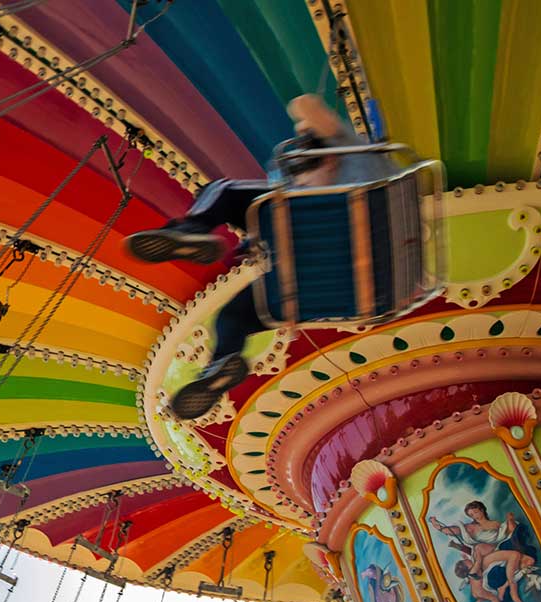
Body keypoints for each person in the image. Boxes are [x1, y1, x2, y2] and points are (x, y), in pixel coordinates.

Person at [123, 95, 398, 420]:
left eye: (308, 166)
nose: (302, 177)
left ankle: (189, 230)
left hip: (328, 254)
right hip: (345, 285)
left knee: (226, 191)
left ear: (328, 155)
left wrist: (318, 127)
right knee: (231, 316)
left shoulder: (354, 159)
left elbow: (305, 104)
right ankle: (220, 366)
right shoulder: (346, 179)